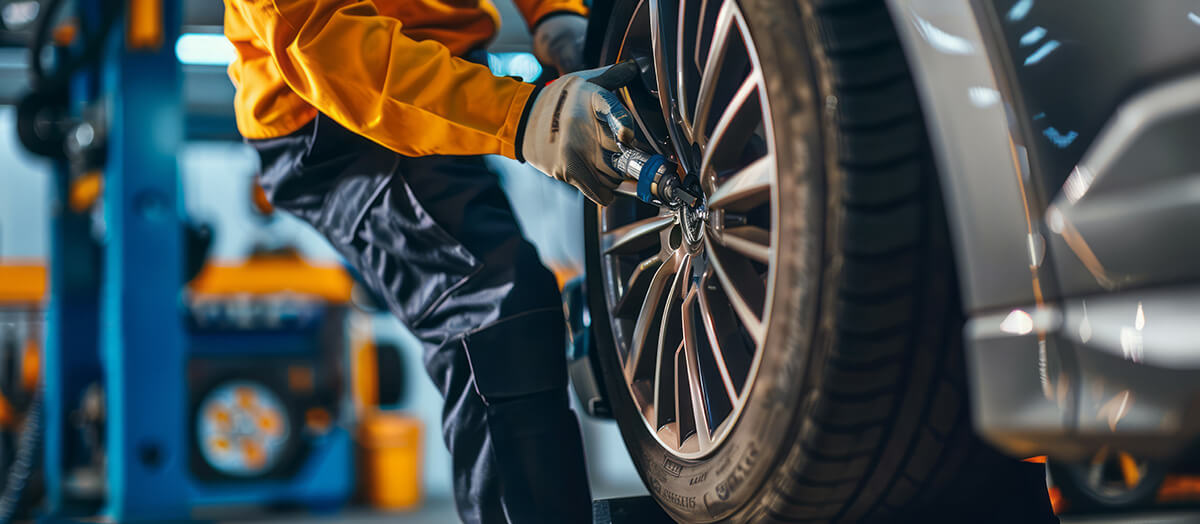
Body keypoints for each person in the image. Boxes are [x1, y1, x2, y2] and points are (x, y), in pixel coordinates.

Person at [222, 0, 637, 522]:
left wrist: (556, 13)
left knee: (505, 303)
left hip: (445, 66)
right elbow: (329, 44)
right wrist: (521, 115)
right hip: (333, 112)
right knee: (493, 311)